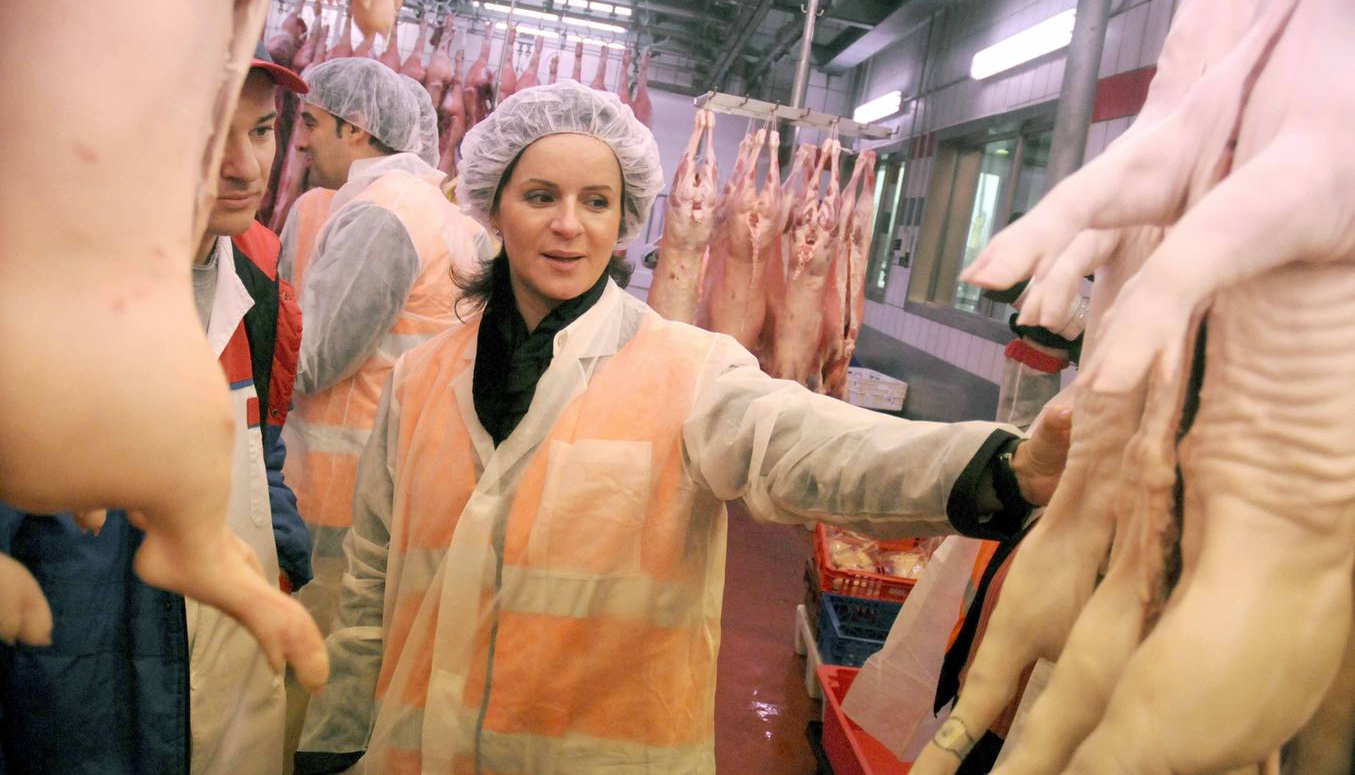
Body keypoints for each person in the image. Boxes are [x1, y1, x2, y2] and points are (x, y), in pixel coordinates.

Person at [292, 81, 1072, 773]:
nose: (569, 226)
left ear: (624, 217)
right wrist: (336, 736)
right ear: (494, 204)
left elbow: (816, 448)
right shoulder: (420, 379)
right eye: (540, 197)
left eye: (595, 202)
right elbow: (367, 584)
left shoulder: (687, 369)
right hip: (414, 752)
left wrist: (1005, 469)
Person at [0, 47, 314, 773]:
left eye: (262, 131)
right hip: (78, 694)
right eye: (205, 139)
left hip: (223, 676)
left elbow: (259, 450)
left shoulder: (261, 285)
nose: (244, 167)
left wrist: (283, 561)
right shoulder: (45, 305)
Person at [277, 56, 488, 755]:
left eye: (310, 123)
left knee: (311, 678)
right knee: (365, 675)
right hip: (403, 488)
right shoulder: (443, 215)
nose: (300, 141)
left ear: (357, 127)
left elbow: (314, 359)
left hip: (338, 493)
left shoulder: (381, 214)